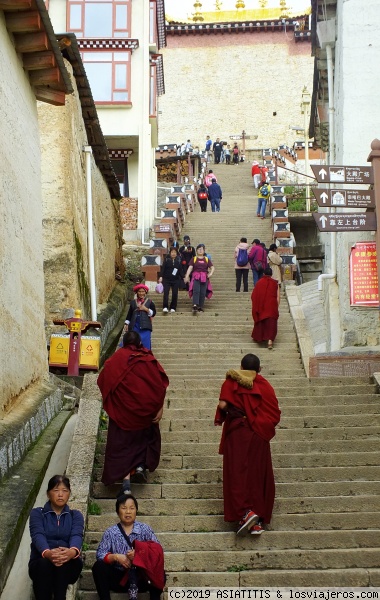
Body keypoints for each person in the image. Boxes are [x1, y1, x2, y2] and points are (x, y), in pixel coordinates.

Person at [214, 354, 281, 535]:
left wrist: (235, 409)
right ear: (259, 370)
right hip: (259, 434)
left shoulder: (232, 381)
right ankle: (256, 520)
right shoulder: (265, 386)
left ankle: (245, 512)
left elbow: (222, 405)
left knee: (238, 473)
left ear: (241, 367)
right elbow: (274, 413)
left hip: (239, 432)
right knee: (257, 475)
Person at [98, 331, 169, 493]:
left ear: (123, 342)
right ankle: (139, 467)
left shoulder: (114, 360)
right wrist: (159, 407)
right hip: (144, 414)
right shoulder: (148, 359)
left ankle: (125, 480)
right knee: (142, 437)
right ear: (139, 343)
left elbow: (102, 381)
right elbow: (160, 385)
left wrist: (114, 402)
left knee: (122, 444)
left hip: (122, 412)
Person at [92, 494, 165, 600]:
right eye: (124, 508)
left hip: (142, 578)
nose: (128, 512)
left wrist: (139, 555)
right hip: (120, 578)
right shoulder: (111, 532)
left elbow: (157, 551)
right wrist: (116, 557)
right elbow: (100, 554)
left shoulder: (145, 529)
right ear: (118, 511)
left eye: (131, 508)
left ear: (136, 510)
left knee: (159, 571)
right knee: (98, 567)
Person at [28, 474, 84, 600]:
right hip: (41, 562)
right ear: (48, 494)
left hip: (69, 562)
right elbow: (38, 535)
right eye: (56, 490)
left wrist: (72, 551)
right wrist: (48, 553)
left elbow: (77, 534)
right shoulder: (37, 513)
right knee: (44, 564)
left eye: (64, 491)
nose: (60, 494)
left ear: (69, 494)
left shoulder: (75, 515)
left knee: (64, 562)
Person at [251, 267, 280, 349]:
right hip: (271, 306)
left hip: (261, 306)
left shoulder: (259, 283)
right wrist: (276, 307)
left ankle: (259, 338)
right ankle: (270, 341)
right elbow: (278, 297)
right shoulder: (275, 283)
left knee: (261, 322)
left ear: (263, 274)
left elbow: (254, 295)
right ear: (271, 275)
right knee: (271, 324)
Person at [123, 284, 156, 350]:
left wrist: (145, 309)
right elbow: (130, 314)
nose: (141, 293)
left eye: (143, 291)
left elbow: (153, 313)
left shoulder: (150, 302)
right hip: (134, 325)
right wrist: (126, 324)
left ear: (145, 292)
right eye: (139, 291)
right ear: (137, 292)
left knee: (145, 344)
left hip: (145, 326)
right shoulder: (133, 302)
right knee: (132, 342)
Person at [184, 243, 214, 313]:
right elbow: (190, 268)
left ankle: (200, 306)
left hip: (204, 277)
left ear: (204, 251)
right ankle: (195, 305)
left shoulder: (206, 259)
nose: (200, 251)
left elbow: (212, 267)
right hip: (196, 276)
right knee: (196, 290)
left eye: (202, 249)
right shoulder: (194, 259)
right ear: (196, 250)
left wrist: (210, 273)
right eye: (199, 249)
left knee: (203, 292)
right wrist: (187, 276)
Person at [159, 247, 184, 313]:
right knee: (166, 293)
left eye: (174, 252)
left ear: (177, 253)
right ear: (170, 253)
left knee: (175, 293)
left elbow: (180, 270)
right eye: (172, 252)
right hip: (166, 279)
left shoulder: (178, 261)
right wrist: (161, 276)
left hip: (175, 280)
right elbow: (163, 269)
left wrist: (184, 277)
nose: (173, 254)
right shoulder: (166, 260)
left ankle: (173, 307)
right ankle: (165, 307)